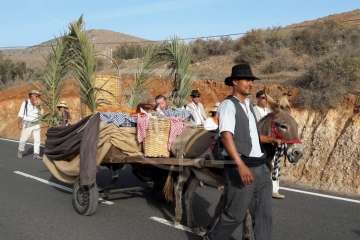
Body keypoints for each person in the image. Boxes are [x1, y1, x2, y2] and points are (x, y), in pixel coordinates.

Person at [206, 63, 279, 240]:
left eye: (251, 80)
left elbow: (251, 135)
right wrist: (240, 164)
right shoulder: (228, 105)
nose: (250, 83)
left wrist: (270, 140)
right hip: (243, 168)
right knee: (234, 216)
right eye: (247, 80)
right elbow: (226, 136)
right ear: (235, 82)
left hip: (261, 168)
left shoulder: (249, 106)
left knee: (264, 216)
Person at [17, 90, 43, 160]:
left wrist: (39, 107)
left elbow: (41, 114)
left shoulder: (39, 104)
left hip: (36, 123)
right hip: (27, 123)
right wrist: (19, 123)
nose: (37, 97)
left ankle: (36, 154)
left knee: (37, 140)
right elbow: (20, 114)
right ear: (31, 96)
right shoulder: (25, 103)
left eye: (38, 96)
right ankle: (20, 151)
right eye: (36, 95)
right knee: (23, 139)